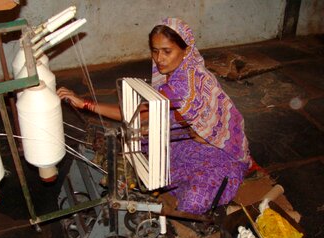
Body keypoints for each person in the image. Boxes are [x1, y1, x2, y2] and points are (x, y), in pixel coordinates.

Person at [57, 17, 252, 215]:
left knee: (192, 199)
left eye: (167, 51)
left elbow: (137, 115)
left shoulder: (187, 83)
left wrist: (86, 104)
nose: (159, 58)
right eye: (155, 50)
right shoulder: (175, 74)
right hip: (190, 141)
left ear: (185, 51)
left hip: (221, 152)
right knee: (144, 147)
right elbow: (149, 115)